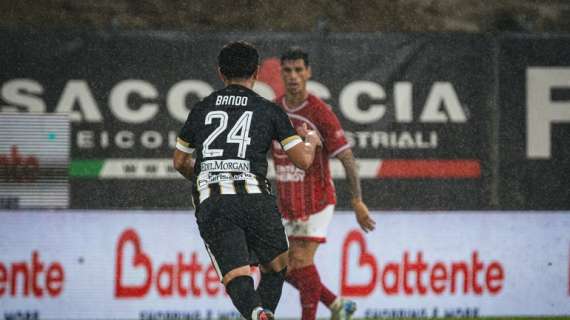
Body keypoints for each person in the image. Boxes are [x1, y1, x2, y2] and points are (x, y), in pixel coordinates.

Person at [173, 41, 321, 320]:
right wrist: (311, 141)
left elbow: (179, 161)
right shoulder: (269, 110)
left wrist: (210, 176)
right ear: (256, 72)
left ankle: (255, 314)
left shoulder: (202, 108)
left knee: (236, 275)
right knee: (277, 266)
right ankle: (263, 313)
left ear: (220, 73)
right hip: (256, 198)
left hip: (215, 202)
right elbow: (303, 161)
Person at [270, 47, 376, 320]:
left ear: (308, 72)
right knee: (275, 265)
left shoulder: (319, 112)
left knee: (302, 261)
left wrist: (357, 200)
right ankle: (338, 305)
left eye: (298, 70)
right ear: (280, 73)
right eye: (288, 70)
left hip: (315, 201)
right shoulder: (273, 109)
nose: (293, 76)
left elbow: (347, 158)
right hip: (287, 204)